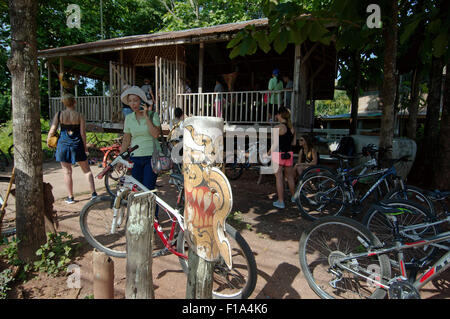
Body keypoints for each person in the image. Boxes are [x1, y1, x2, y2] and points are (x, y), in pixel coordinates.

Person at [47, 94, 97, 204]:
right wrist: (85, 148)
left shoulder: (59, 114)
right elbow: (83, 133)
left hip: (63, 144)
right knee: (87, 170)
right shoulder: (80, 115)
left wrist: (48, 140)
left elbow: (53, 129)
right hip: (77, 144)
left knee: (67, 172)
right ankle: (93, 193)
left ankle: (70, 197)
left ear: (64, 103)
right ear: (75, 102)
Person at [119, 86, 161, 192]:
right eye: (130, 101)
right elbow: (126, 140)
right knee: (137, 190)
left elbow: (156, 134)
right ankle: (141, 209)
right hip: (135, 157)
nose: (133, 104)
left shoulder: (153, 115)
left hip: (151, 157)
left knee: (148, 190)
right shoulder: (129, 118)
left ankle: (152, 209)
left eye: (136, 100)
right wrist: (120, 158)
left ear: (142, 101)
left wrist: (146, 116)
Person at [267, 106, 296, 209]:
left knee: (278, 177)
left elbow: (275, 144)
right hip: (289, 154)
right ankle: (294, 197)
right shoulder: (292, 128)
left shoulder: (277, 128)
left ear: (279, 115)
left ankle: (280, 201)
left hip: (278, 154)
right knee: (290, 177)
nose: (276, 116)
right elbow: (294, 143)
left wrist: (268, 153)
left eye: (277, 114)